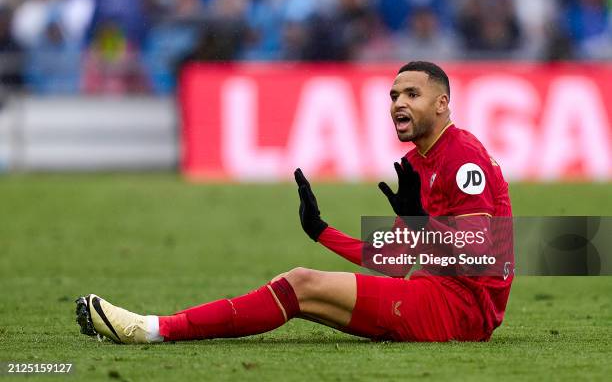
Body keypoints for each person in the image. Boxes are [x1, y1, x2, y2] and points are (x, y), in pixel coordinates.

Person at [75, 61, 513, 343]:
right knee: (300, 287)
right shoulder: (416, 162)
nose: (398, 103)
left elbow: (479, 252)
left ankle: (151, 329)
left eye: (411, 95)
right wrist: (322, 231)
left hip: (463, 311)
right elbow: (394, 261)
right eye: (394, 96)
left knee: (301, 284)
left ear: (442, 104)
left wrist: (420, 225)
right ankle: (154, 328)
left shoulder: (461, 159)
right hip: (435, 294)